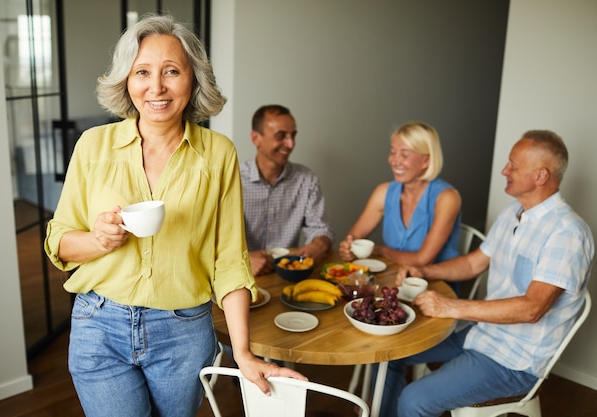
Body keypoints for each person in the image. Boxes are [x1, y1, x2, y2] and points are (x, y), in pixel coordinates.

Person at [44, 15, 304, 417]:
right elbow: (59, 239)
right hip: (99, 324)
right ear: (126, 81)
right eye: (142, 72)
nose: (156, 87)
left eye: (172, 71)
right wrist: (98, 240)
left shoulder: (219, 153)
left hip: (183, 332)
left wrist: (243, 352)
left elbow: (229, 260)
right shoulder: (93, 146)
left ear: (193, 79)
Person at [382, 130, 594, 417]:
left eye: (513, 165)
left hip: (514, 361)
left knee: (414, 399)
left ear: (541, 176)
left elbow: (532, 308)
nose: (505, 170)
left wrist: (450, 307)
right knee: (388, 352)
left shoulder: (567, 233)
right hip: (481, 334)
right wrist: (423, 269)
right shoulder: (513, 213)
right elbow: (473, 264)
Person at [339, 121, 461, 272]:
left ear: (426, 161)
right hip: (394, 278)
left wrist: (380, 251)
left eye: (404, 154)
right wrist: (349, 246)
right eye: (392, 152)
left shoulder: (447, 198)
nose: (394, 161)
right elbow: (354, 236)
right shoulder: (383, 192)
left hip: (435, 286)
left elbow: (422, 260)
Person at [241, 104, 334, 276]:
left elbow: (321, 228)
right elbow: (210, 240)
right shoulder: (231, 179)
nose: (290, 144)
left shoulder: (307, 179)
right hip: (240, 278)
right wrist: (242, 259)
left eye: (293, 135)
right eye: (281, 136)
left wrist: (318, 245)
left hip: (289, 276)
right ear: (256, 138)